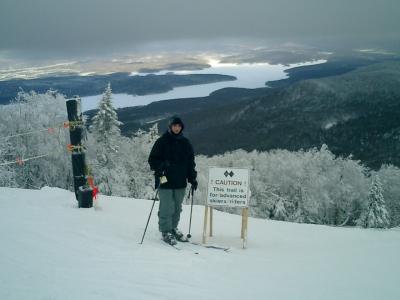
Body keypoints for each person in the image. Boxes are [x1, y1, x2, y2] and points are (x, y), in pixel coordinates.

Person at [148, 116, 198, 245]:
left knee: (177, 207)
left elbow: (190, 163)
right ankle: (165, 231)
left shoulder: (186, 143)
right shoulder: (162, 141)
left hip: (180, 181)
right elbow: (152, 160)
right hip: (164, 179)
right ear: (170, 127)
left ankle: (173, 228)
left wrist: (192, 178)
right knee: (166, 207)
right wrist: (161, 165)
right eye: (174, 126)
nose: (176, 128)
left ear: (181, 127)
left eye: (179, 126)